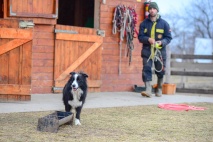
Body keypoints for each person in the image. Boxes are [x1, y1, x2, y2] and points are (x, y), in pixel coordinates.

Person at [138, 2, 172, 97]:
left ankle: (159, 89)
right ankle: (148, 90)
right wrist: (148, 39)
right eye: (150, 9)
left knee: (160, 70)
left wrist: (161, 42)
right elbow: (140, 37)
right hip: (147, 51)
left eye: (154, 9)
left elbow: (168, 38)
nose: (152, 10)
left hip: (160, 51)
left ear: (157, 10)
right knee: (146, 69)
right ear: (149, 10)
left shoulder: (164, 24)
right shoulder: (144, 24)